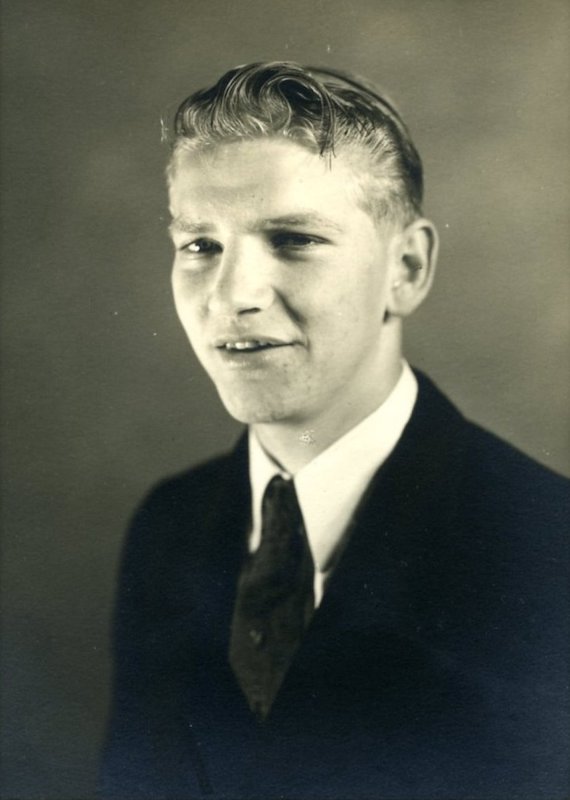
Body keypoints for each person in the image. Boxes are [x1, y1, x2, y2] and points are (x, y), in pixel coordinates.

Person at [100, 62, 569, 799]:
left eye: (292, 239)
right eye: (200, 245)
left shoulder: (548, 550)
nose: (232, 296)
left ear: (405, 269)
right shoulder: (170, 528)